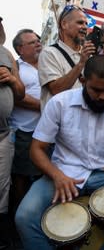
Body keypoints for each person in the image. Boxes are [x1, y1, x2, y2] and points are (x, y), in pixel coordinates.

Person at [14, 55, 104, 249]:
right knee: (24, 216)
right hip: (63, 172)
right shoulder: (59, 103)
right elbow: (36, 150)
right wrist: (57, 175)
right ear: (82, 81)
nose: (103, 96)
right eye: (96, 90)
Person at [9, 29, 43, 219]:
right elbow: (16, 97)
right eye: (32, 42)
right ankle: (20, 217)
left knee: (43, 175)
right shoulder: (16, 68)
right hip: (24, 130)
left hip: (47, 130)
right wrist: (43, 106)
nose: (38, 43)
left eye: (38, 40)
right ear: (20, 49)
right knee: (21, 175)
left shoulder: (47, 63)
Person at [38, 5, 97, 110]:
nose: (85, 27)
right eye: (80, 23)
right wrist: (81, 64)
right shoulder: (49, 53)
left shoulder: (89, 55)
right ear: (64, 24)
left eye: (86, 23)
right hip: (59, 123)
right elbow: (56, 89)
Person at [0, 40, 25, 249]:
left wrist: (12, 79)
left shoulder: (6, 54)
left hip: (3, 135)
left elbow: (20, 93)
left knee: (2, 187)